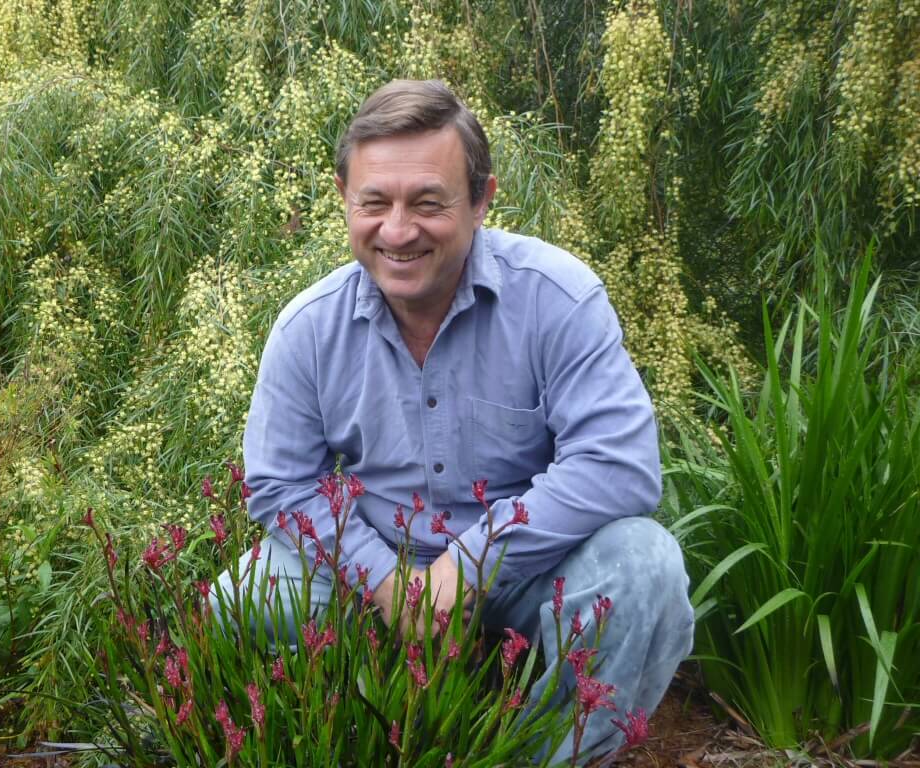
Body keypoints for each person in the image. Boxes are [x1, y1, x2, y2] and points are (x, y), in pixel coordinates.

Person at [214, 79, 695, 761]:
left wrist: (474, 561)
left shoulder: (559, 299)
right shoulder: (307, 329)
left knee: (646, 568)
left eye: (428, 203)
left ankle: (549, 755)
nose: (398, 230)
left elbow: (618, 466)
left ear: (482, 200)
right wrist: (383, 580)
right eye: (374, 203)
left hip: (533, 572)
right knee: (241, 602)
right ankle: (364, 742)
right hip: (377, 568)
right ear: (345, 201)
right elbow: (280, 485)